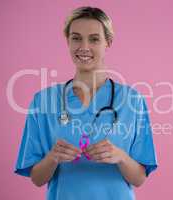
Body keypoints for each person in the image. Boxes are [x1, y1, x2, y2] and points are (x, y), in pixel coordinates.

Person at [14, 6, 158, 200]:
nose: (84, 46)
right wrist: (52, 158)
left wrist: (121, 157)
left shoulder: (132, 100)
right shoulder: (43, 101)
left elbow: (139, 178)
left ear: (108, 42)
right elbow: (37, 179)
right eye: (76, 38)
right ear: (67, 41)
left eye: (94, 39)